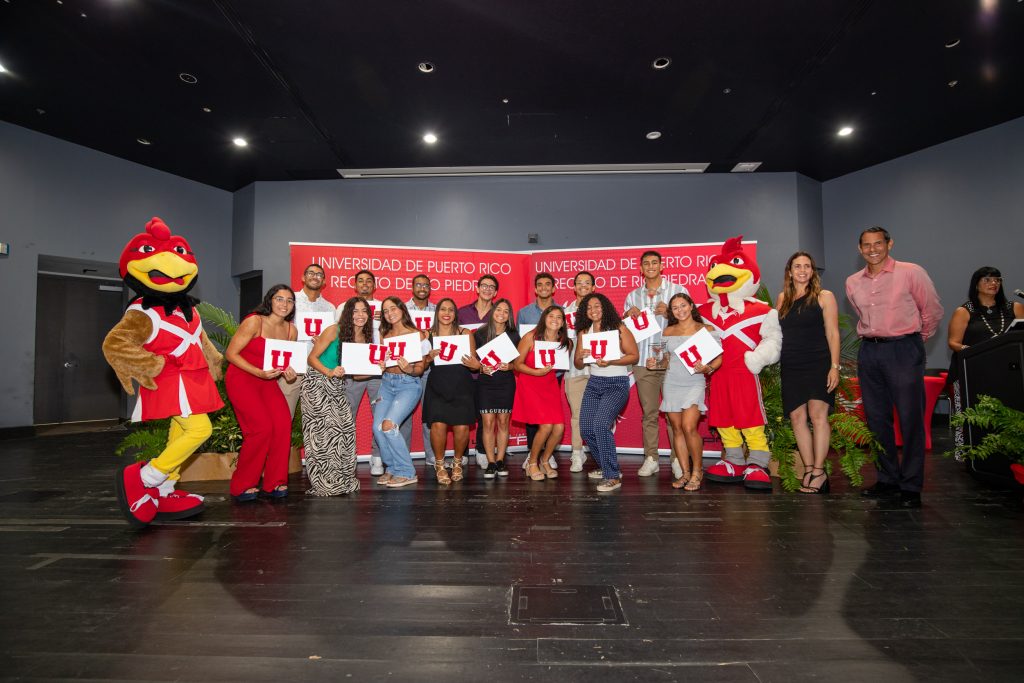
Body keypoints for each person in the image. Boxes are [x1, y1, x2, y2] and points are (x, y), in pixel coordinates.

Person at [846, 226, 943, 509]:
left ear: (889, 244)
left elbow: (932, 310)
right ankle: (887, 479)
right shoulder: (853, 282)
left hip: (903, 349)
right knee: (876, 420)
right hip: (869, 351)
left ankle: (911, 485)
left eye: (878, 243)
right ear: (859, 249)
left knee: (910, 419)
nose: (872, 249)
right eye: (866, 245)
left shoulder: (911, 272)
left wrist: (915, 341)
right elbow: (861, 314)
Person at [224, 285, 299, 502]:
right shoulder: (254, 321)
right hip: (242, 378)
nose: (284, 304)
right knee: (261, 429)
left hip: (267, 381)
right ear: (270, 300)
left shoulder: (291, 331)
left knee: (283, 423)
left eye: (289, 300)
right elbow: (230, 353)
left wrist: (288, 373)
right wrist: (258, 372)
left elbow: (283, 363)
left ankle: (274, 482)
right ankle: (242, 485)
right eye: (279, 299)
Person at [776, 252, 840, 495]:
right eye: (797, 266)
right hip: (791, 364)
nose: (802, 270)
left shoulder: (825, 297)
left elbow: (833, 334)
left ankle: (819, 472)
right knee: (796, 418)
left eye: (807, 266)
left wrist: (834, 367)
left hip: (818, 363)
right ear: (790, 271)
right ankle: (808, 469)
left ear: (812, 271)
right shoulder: (783, 298)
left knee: (818, 416)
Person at [623, 250, 689, 478]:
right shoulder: (633, 296)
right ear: (640, 269)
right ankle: (651, 458)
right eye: (646, 264)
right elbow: (626, 333)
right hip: (644, 360)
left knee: (673, 413)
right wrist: (626, 315)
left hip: (672, 361)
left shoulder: (678, 291)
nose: (650, 266)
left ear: (662, 266)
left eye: (654, 262)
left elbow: (691, 321)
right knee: (649, 413)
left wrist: (670, 312)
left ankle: (677, 459)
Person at [946, 266, 1024, 459]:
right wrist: (972, 351)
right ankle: (965, 453)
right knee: (970, 414)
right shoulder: (965, 311)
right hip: (972, 372)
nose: (993, 284)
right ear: (977, 284)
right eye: (987, 280)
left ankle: (1006, 452)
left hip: (1007, 372)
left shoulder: (1014, 308)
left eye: (997, 280)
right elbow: (954, 343)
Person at [652, 293, 720, 491]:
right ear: (671, 311)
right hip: (672, 382)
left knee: (689, 426)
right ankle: (685, 473)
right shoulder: (668, 331)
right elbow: (664, 361)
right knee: (677, 428)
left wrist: (707, 368)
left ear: (691, 306)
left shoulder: (705, 329)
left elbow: (718, 359)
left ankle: (698, 471)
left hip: (694, 383)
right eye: (675, 307)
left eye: (683, 305)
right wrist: (653, 363)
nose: (680, 310)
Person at [301, 298, 367, 496]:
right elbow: (311, 358)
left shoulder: (363, 339)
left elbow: (356, 375)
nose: (360, 315)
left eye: (364, 311)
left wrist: (378, 368)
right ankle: (324, 482)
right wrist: (329, 372)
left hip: (338, 385)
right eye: (355, 311)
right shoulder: (333, 330)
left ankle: (342, 478)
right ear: (348, 313)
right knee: (321, 436)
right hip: (317, 383)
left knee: (345, 431)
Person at [575, 293, 639, 492]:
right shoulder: (584, 332)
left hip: (617, 383)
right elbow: (577, 363)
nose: (593, 310)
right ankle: (606, 466)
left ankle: (612, 476)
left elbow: (633, 356)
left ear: (606, 308)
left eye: (598, 306)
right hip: (594, 382)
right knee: (586, 429)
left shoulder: (619, 328)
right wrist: (582, 356)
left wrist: (611, 361)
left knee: (601, 425)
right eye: (589, 307)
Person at [372, 296, 428, 488]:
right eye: (385, 311)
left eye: (393, 309)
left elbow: (420, 368)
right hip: (387, 383)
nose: (389, 314)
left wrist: (408, 369)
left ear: (402, 309)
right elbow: (381, 362)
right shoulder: (384, 334)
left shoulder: (417, 335)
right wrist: (379, 365)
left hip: (408, 384)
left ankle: (406, 471)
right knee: (378, 428)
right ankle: (392, 468)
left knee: (389, 426)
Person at [422, 298, 478, 484]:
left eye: (451, 310)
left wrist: (473, 364)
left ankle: (456, 463)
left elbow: (475, 365)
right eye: (443, 309)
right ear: (437, 313)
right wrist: (429, 358)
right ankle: (439, 465)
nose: (447, 313)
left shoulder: (465, 333)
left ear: (455, 314)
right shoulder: (427, 335)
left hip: (461, 385)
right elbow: (420, 366)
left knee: (462, 426)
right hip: (437, 385)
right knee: (438, 425)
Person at [513, 305, 570, 481]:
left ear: (562, 323)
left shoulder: (563, 341)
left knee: (559, 428)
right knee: (545, 426)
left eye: (559, 317)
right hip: (530, 383)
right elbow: (517, 364)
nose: (555, 319)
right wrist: (536, 372)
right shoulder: (531, 336)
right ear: (544, 318)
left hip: (549, 385)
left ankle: (545, 460)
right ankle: (532, 463)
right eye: (551, 315)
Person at [342, 269, 384, 475]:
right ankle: (347, 457)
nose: (365, 284)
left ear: (374, 285)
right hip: (351, 371)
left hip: (376, 371)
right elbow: (339, 333)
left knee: (379, 414)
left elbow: (389, 335)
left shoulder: (384, 307)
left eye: (369, 281)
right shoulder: (343, 307)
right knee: (347, 414)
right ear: (355, 284)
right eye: (361, 281)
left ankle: (377, 456)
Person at [281, 263, 337, 417]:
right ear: (303, 277)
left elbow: (333, 339)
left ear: (324, 281)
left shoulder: (330, 308)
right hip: (292, 368)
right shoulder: (291, 301)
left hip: (318, 369)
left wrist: (324, 342)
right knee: (285, 415)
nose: (315, 276)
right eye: (311, 273)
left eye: (319, 274)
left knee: (317, 419)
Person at [473, 299, 519, 479]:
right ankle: (490, 462)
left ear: (510, 316)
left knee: (502, 422)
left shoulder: (514, 335)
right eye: (498, 309)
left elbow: (520, 362)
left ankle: (500, 461)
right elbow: (474, 359)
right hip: (485, 384)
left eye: (506, 311)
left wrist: (512, 366)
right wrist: (480, 367)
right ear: (492, 311)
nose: (501, 313)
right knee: (488, 423)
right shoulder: (481, 333)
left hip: (506, 383)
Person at [458, 274, 499, 465]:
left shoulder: (499, 314)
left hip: (489, 370)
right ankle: (463, 452)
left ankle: (482, 450)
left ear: (496, 292)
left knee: (486, 413)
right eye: (484, 286)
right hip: (464, 371)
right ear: (477, 288)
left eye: (492, 287)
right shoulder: (462, 312)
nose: (487, 289)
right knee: (464, 413)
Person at [562, 271, 594, 472]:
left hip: (601, 369)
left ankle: (601, 451)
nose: (583, 285)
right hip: (574, 370)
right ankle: (576, 452)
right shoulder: (565, 313)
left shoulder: (600, 310)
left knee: (600, 415)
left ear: (593, 287)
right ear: (573, 287)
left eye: (587, 283)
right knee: (577, 415)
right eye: (579, 283)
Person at [405, 274, 436, 465]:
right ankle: (403, 455)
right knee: (405, 415)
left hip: (430, 368)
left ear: (429, 288)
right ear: (412, 287)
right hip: (407, 367)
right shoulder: (403, 309)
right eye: (418, 284)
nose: (422, 288)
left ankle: (431, 455)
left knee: (429, 414)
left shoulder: (437, 310)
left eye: (426, 285)